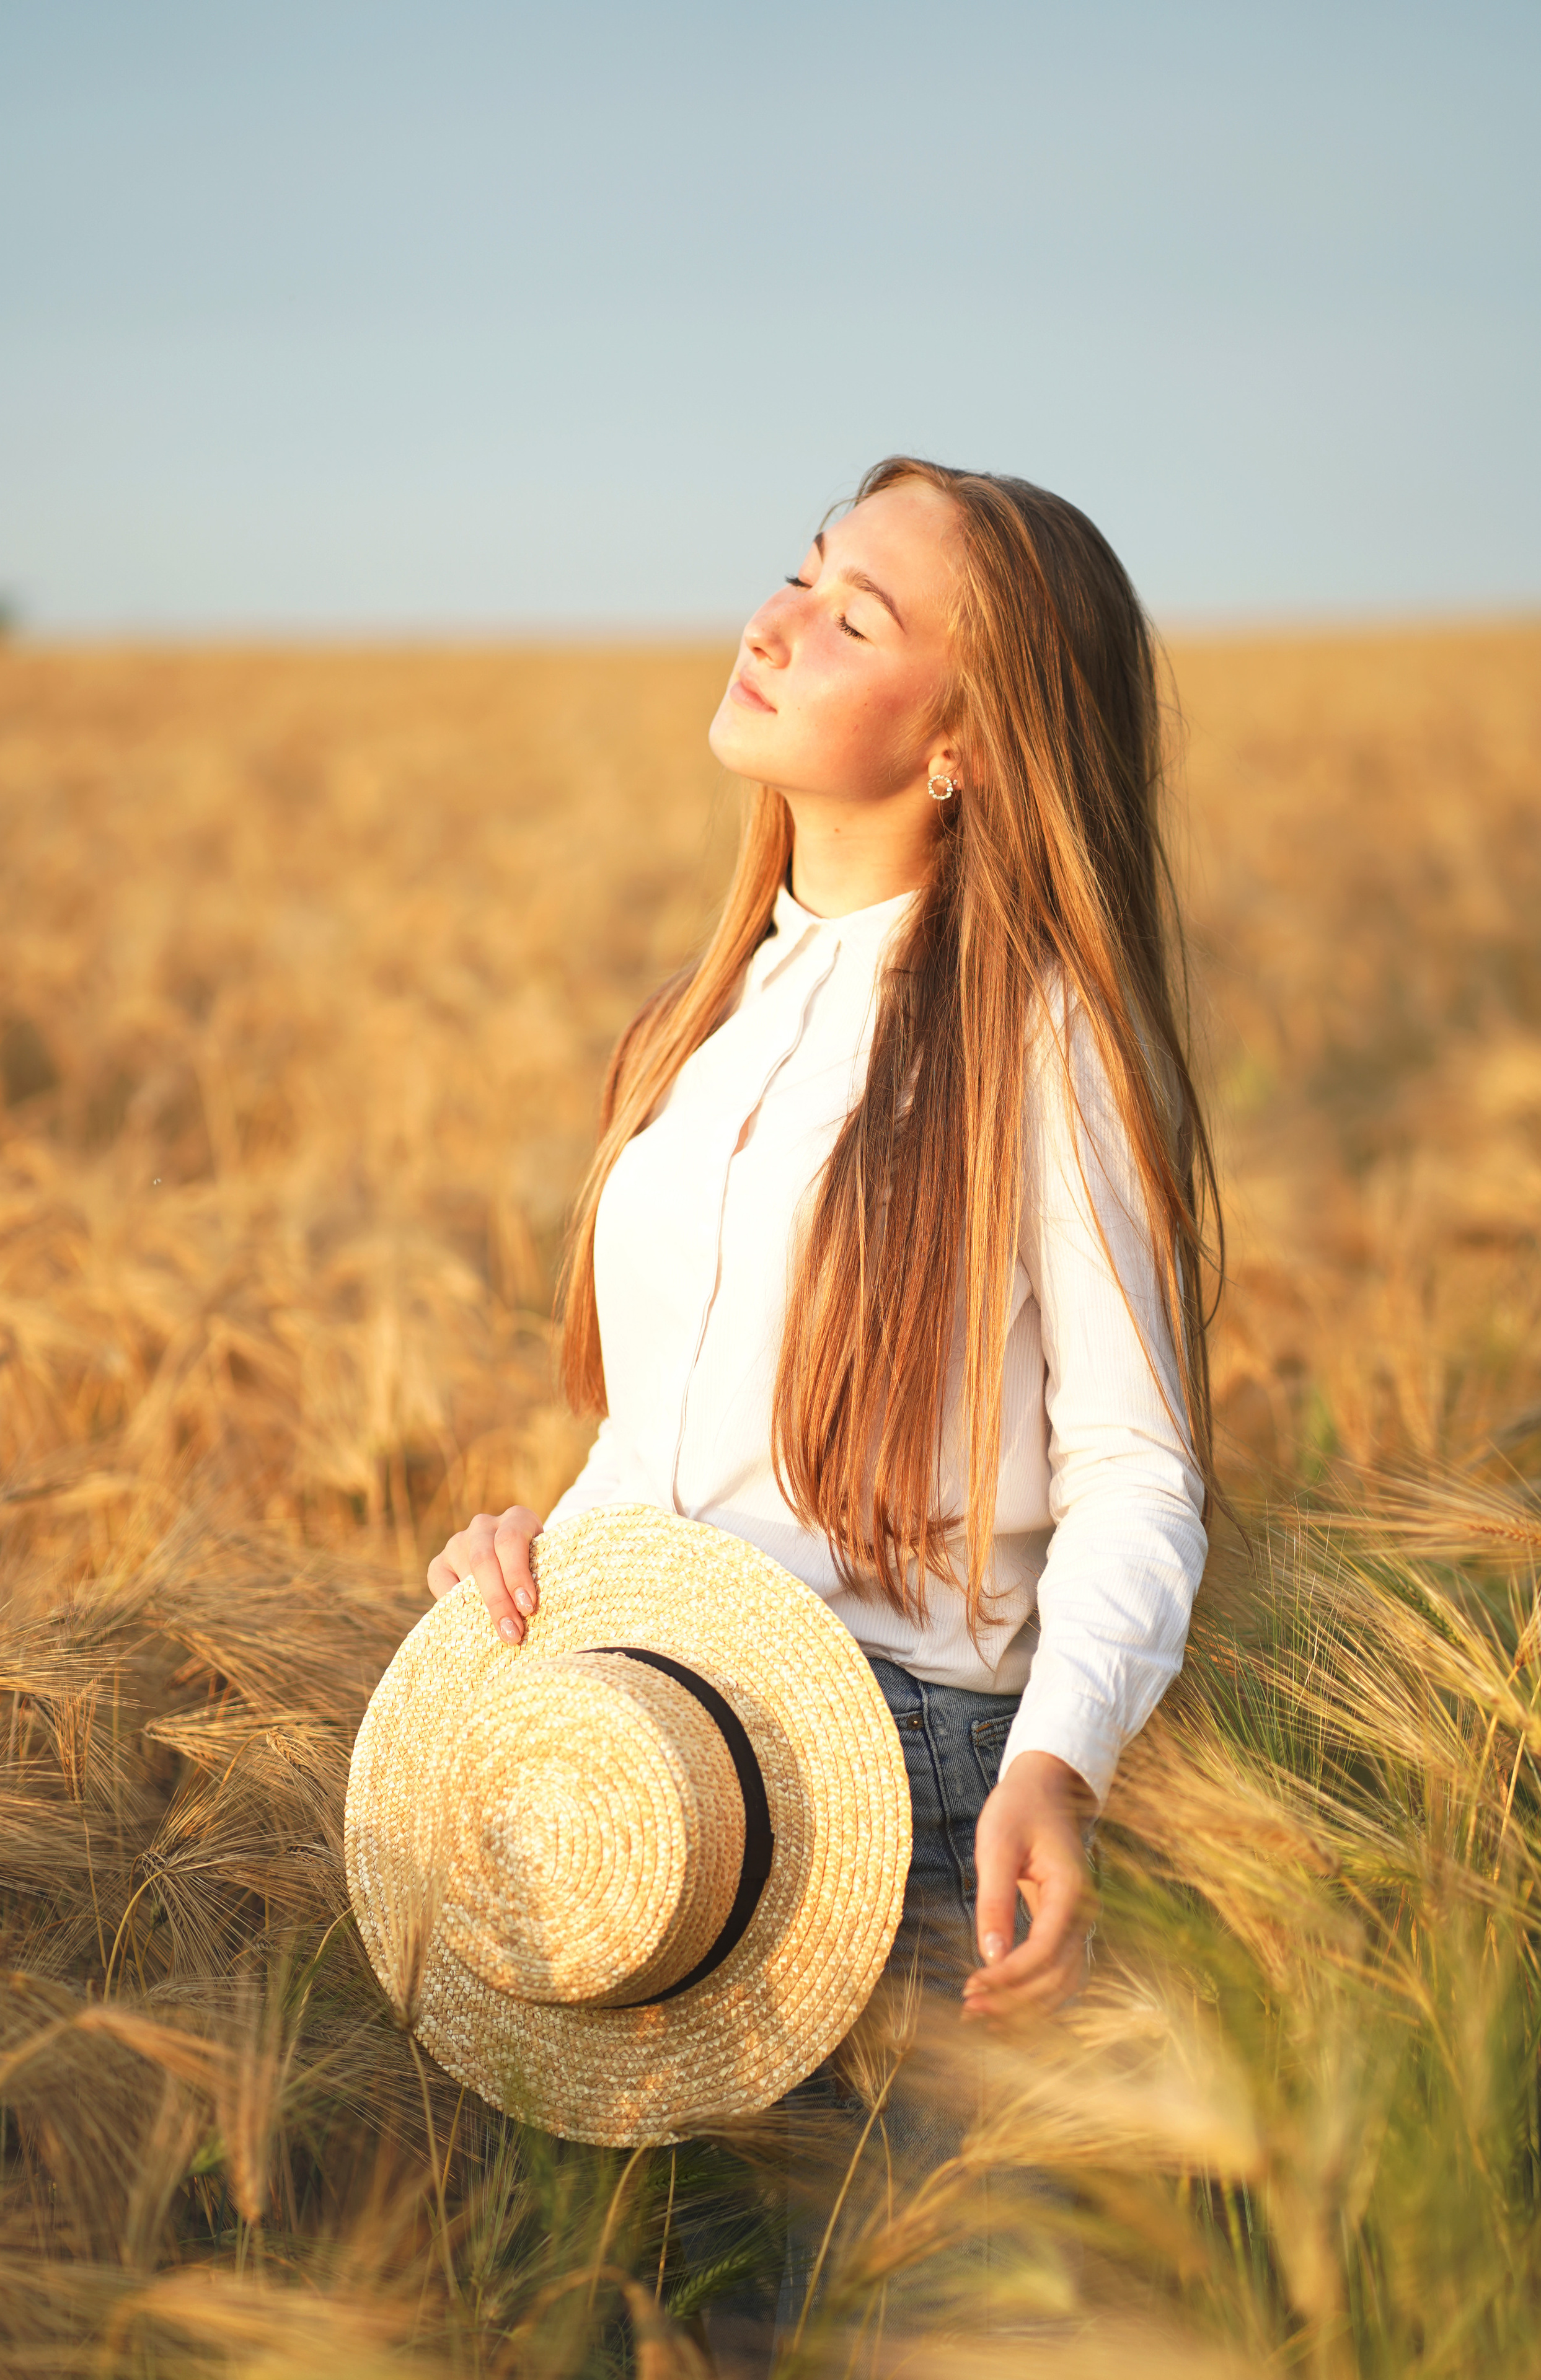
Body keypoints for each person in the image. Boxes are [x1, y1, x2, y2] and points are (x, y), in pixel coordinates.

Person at [426, 454, 1215, 2048]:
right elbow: (663, 1433)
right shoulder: (699, 1021)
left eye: (854, 618)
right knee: (620, 2224)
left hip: (901, 1773)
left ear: (963, 744)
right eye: (799, 573)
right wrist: (540, 1554)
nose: (772, 624)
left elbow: (1136, 1471)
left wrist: (1058, 1762)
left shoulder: (1037, 1039)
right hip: (642, 1762)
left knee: (881, 2229)